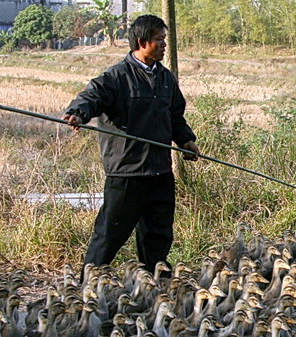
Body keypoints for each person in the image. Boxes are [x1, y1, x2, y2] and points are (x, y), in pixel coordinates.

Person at [63, 14, 200, 280]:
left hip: (159, 169)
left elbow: (175, 116)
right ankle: (85, 284)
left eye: (164, 40)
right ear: (142, 42)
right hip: (127, 171)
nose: (164, 45)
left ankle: (155, 284)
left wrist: (185, 140)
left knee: (158, 234)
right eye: (159, 40)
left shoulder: (166, 79)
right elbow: (91, 97)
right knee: (109, 234)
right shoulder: (116, 77)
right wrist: (77, 113)